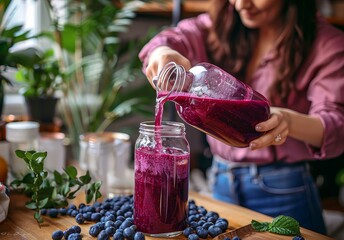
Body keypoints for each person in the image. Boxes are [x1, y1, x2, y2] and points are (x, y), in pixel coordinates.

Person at [138, 0, 344, 235]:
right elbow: (170, 39)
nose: (240, 4)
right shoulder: (221, 24)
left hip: (284, 189)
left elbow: (337, 126)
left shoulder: (327, 43)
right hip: (220, 180)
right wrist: (162, 52)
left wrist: (289, 121)